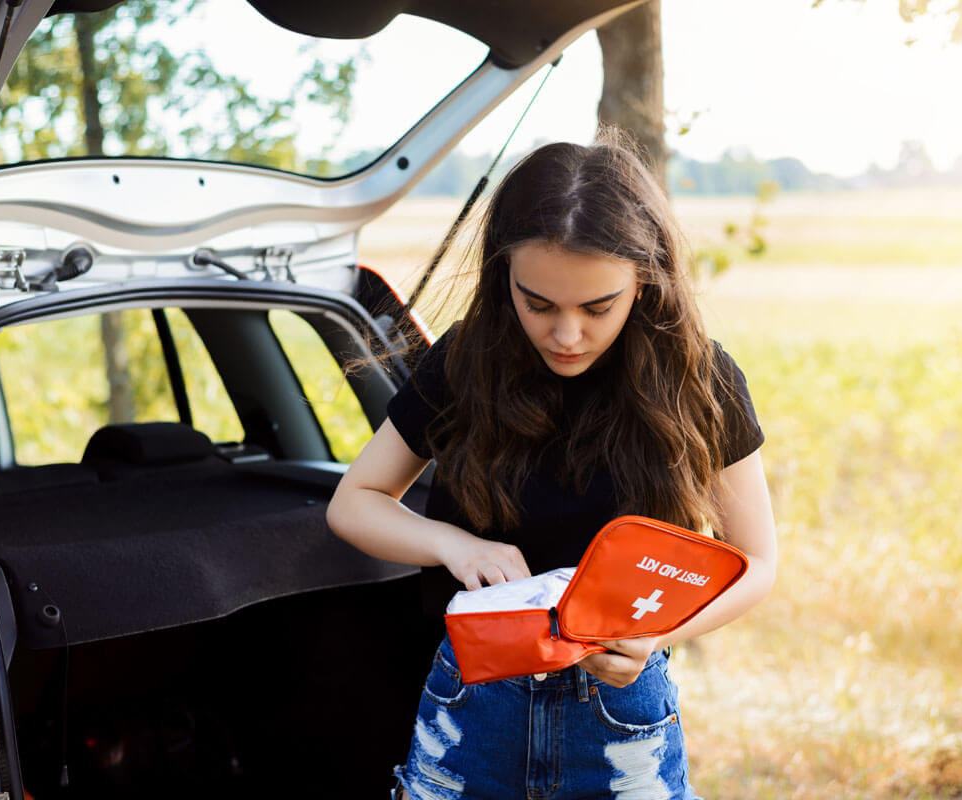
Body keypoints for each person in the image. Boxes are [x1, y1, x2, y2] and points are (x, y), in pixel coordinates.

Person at [325, 133, 777, 800]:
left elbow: (757, 563)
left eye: (598, 308)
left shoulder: (699, 379)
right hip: (473, 706)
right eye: (537, 304)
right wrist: (452, 543)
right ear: (502, 274)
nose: (566, 336)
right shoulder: (465, 361)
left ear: (645, 281)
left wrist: (655, 637)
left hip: (620, 714)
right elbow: (354, 502)